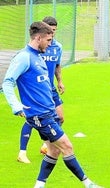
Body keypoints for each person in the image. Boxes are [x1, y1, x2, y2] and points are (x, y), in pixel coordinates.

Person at [2, 21, 102, 188]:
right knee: (67, 146)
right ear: (38, 38)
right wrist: (16, 106)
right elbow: (8, 82)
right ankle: (88, 184)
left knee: (54, 150)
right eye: (48, 40)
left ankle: (39, 185)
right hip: (40, 115)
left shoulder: (37, 56)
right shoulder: (24, 57)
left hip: (49, 112)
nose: (50, 44)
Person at [17, 16, 65, 164]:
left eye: (55, 30)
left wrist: (60, 81)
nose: (53, 33)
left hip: (50, 88)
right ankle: (22, 152)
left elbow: (57, 65)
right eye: (50, 30)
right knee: (33, 118)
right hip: (37, 91)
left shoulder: (57, 47)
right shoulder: (35, 49)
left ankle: (46, 144)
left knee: (60, 117)